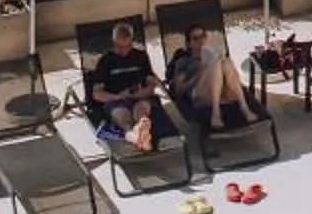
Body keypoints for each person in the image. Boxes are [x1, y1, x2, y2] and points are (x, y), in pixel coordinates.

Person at [167, 21, 255, 133]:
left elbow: (233, 76)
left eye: (202, 36)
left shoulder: (214, 54)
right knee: (217, 63)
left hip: (225, 93)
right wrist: (201, 71)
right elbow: (179, 91)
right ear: (189, 44)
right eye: (195, 38)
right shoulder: (183, 61)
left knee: (226, 62)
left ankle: (244, 107)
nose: (200, 41)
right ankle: (216, 113)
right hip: (201, 97)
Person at [90, 20, 159, 151]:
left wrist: (142, 93)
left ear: (131, 41)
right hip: (116, 100)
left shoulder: (140, 56)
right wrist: (118, 96)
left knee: (141, 112)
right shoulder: (105, 61)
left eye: (127, 46)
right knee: (123, 118)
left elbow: (152, 83)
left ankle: (138, 135)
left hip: (139, 97)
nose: (124, 51)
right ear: (114, 42)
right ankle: (141, 139)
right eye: (120, 47)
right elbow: (96, 94)